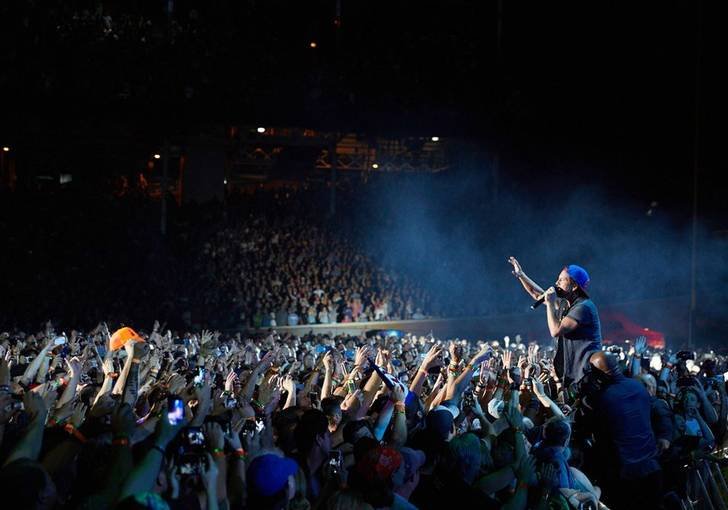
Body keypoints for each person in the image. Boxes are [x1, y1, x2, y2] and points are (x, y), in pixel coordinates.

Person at [508, 257, 602, 385]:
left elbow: (555, 330)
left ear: (574, 286)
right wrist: (521, 275)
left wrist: (550, 304)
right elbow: (538, 295)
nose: (556, 283)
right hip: (572, 375)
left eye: (561, 280)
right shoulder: (566, 304)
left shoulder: (583, 307)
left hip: (585, 375)